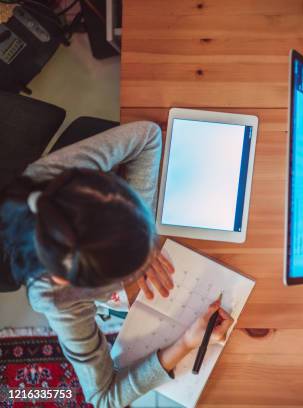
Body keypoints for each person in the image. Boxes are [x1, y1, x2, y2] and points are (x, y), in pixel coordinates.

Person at [0, 122, 234, 406]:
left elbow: (148, 135)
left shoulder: (60, 178)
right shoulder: (57, 299)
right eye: (132, 270)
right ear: (80, 287)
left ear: (99, 185)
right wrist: (185, 344)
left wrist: (142, 241)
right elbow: (103, 398)